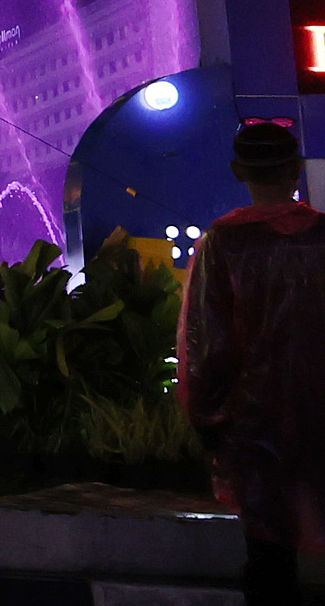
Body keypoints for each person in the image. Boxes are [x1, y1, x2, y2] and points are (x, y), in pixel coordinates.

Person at [177, 122, 325, 606]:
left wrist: (208, 420)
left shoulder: (224, 243)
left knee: (269, 559)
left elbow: (207, 344)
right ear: (296, 168)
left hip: (257, 424)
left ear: (239, 171)